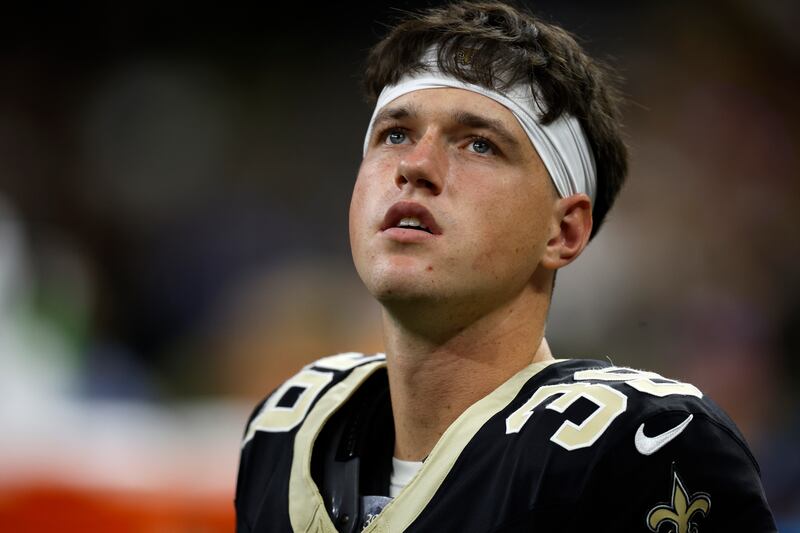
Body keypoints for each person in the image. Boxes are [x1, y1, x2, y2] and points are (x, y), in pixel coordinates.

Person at [235, 2, 777, 531]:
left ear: (563, 232)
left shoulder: (642, 448)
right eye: (395, 134)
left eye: (479, 144)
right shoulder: (286, 431)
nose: (414, 166)